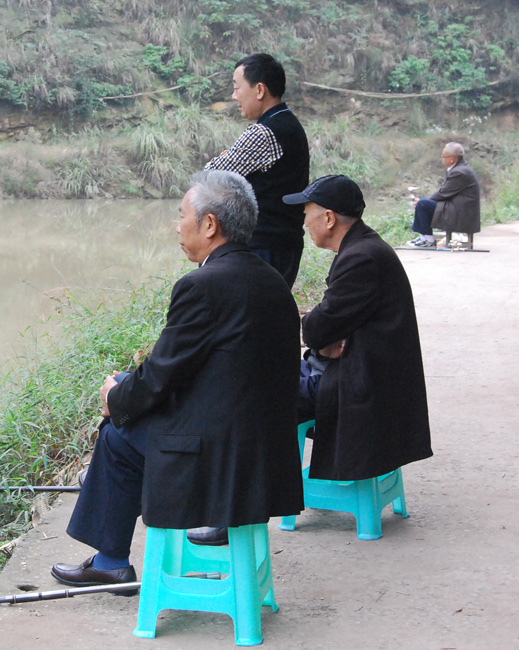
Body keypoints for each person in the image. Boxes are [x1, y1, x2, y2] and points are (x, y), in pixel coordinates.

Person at [50, 170, 303, 587]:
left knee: (117, 435)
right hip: (264, 452)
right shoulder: (271, 280)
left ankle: (111, 559)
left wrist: (116, 397)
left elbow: (159, 379)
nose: (177, 226)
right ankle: (108, 547)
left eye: (182, 215)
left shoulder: (202, 285)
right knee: (128, 408)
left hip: (223, 458)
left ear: (209, 224)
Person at [285, 175, 432, 481]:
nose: (303, 223)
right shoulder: (363, 248)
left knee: (250, 392)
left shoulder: (361, 259)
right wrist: (325, 335)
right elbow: (326, 330)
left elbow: (314, 331)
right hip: (360, 372)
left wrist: (321, 333)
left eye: (306, 214)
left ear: (328, 218)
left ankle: (247, 500)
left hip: (359, 384)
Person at [204, 53, 310, 287]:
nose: (234, 96)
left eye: (237, 88)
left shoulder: (263, 133)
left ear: (259, 90)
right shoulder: (289, 123)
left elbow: (209, 177)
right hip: (283, 242)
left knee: (253, 315)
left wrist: (221, 160)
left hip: (264, 246)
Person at [407, 142, 481, 249]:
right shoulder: (461, 168)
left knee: (423, 204)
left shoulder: (459, 172)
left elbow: (443, 193)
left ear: (452, 158)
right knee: (423, 202)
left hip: (460, 213)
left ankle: (428, 240)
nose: (442, 159)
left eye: (443, 156)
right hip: (458, 208)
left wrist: (423, 201)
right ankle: (423, 237)